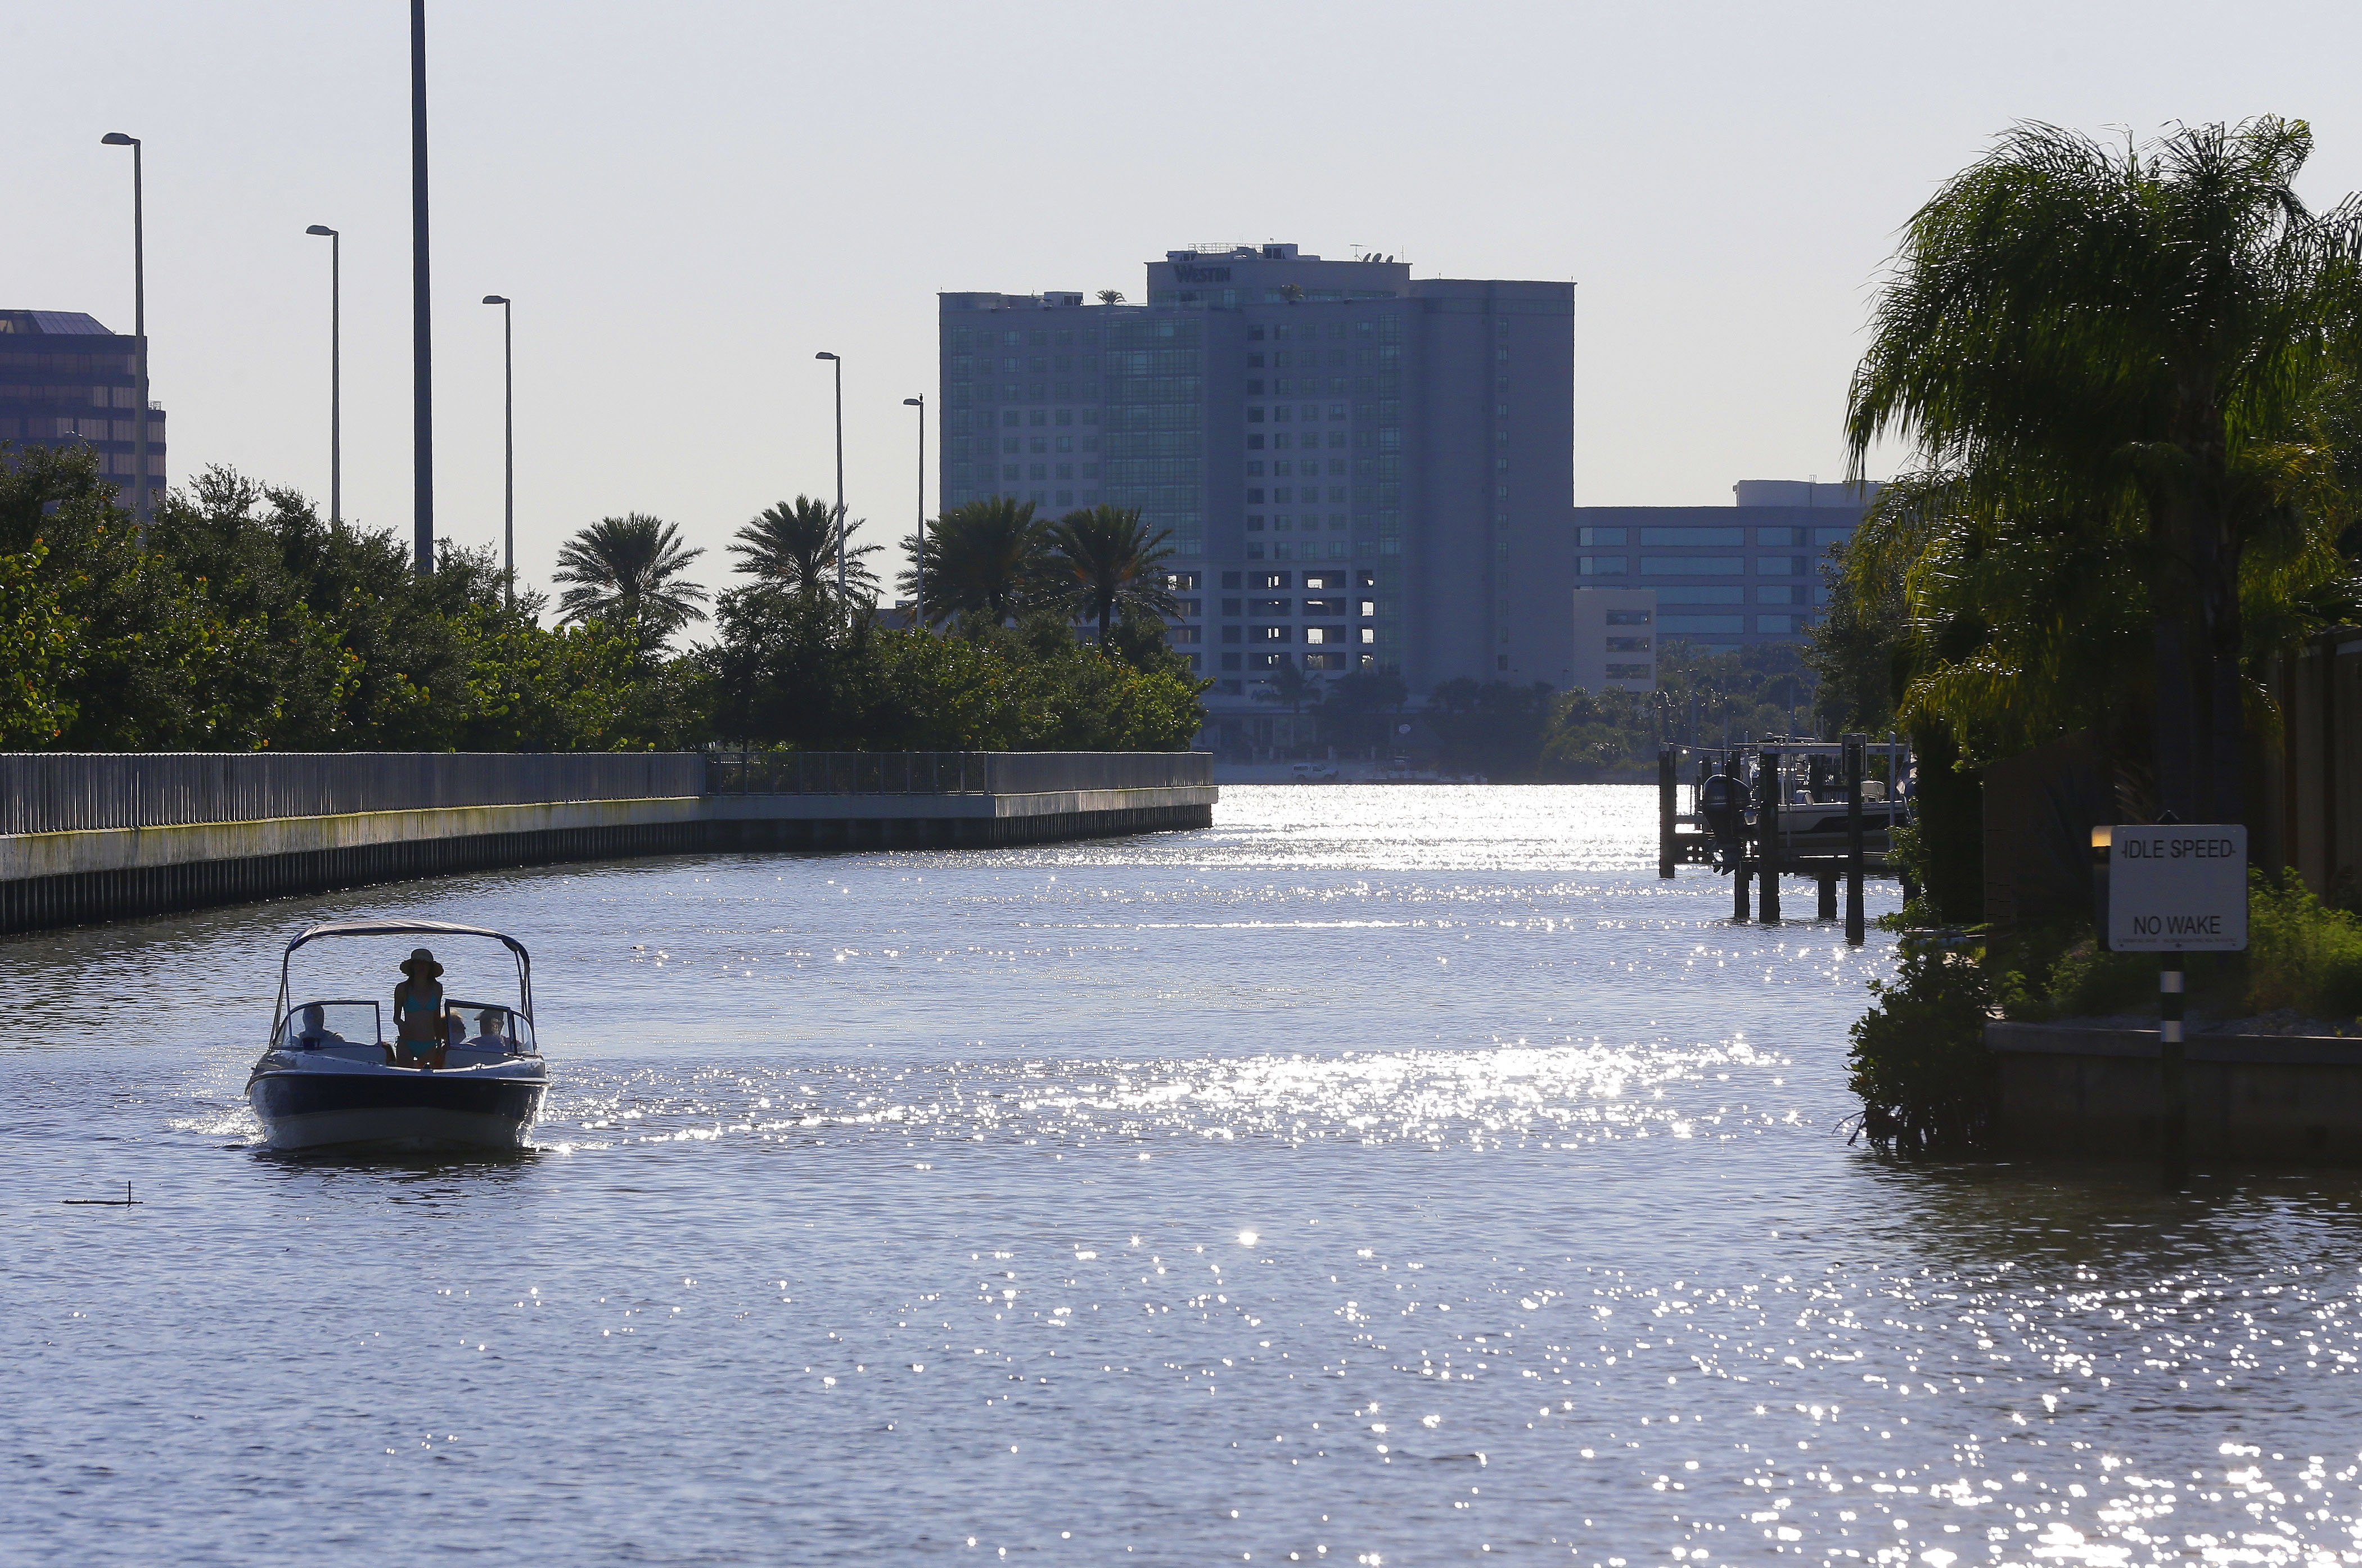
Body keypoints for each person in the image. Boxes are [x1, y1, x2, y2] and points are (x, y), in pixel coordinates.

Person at [394, 948, 448, 1067]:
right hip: (407, 1042)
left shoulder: (437, 988)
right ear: (412, 966)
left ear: (430, 967)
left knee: (427, 1079)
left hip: (429, 1043)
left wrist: (439, 1043)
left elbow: (436, 1018)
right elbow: (396, 1018)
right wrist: (402, 1026)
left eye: (425, 964)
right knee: (403, 1077)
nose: (421, 967)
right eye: (418, 963)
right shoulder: (402, 989)